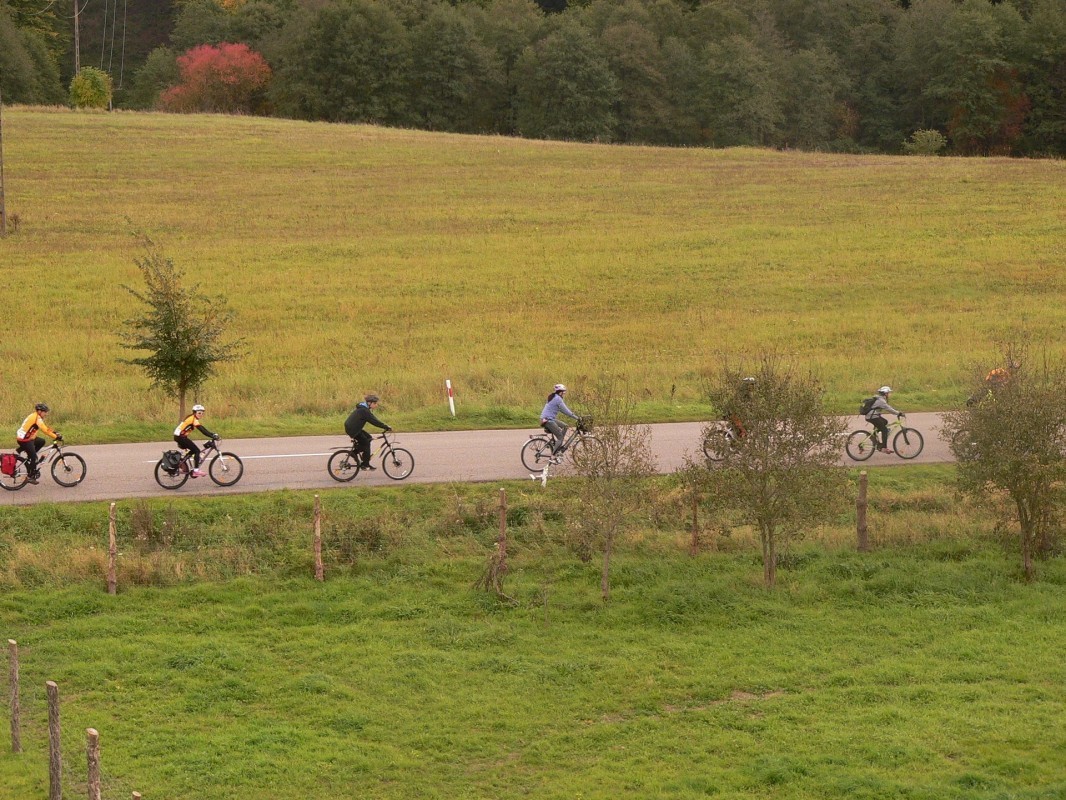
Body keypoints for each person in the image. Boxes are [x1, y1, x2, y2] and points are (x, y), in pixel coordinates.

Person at [16, 403, 61, 485]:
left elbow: (45, 428)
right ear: (39, 411)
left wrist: (54, 432)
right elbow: (45, 430)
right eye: (45, 412)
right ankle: (30, 477)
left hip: (27, 437)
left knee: (41, 441)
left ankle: (29, 454)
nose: (46, 414)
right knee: (35, 458)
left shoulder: (35, 416)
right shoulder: (37, 418)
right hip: (24, 439)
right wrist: (55, 437)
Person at [344, 394, 390, 470]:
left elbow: (373, 419)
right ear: (369, 403)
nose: (376, 405)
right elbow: (374, 421)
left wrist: (384, 426)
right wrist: (386, 427)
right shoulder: (364, 411)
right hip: (353, 429)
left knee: (369, 438)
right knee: (366, 444)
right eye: (374, 403)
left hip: (354, 428)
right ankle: (365, 464)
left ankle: (354, 453)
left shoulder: (363, 408)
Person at [173, 404, 218, 478]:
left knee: (194, 450)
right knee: (197, 451)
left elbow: (202, 428)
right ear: (194, 413)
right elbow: (202, 430)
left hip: (179, 437)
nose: (201, 414)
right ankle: (196, 471)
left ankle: (182, 463)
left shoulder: (192, 418)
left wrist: (212, 434)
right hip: (180, 437)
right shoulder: (193, 419)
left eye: (202, 413)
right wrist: (212, 436)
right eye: (199, 413)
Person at [540, 384, 580, 455]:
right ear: (560, 392)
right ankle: (554, 456)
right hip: (548, 420)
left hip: (548, 419)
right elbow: (566, 411)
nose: (564, 394)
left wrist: (573, 415)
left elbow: (562, 410)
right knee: (560, 437)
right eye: (564, 392)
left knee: (565, 426)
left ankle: (558, 444)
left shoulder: (554, 397)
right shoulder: (558, 399)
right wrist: (577, 418)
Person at [865, 386, 902, 454]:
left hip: (872, 416)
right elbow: (889, 409)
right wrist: (898, 413)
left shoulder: (880, 399)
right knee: (884, 430)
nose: (890, 394)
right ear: (885, 393)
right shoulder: (881, 401)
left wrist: (896, 411)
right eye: (889, 393)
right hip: (872, 416)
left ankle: (873, 435)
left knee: (885, 422)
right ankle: (884, 448)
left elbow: (888, 407)